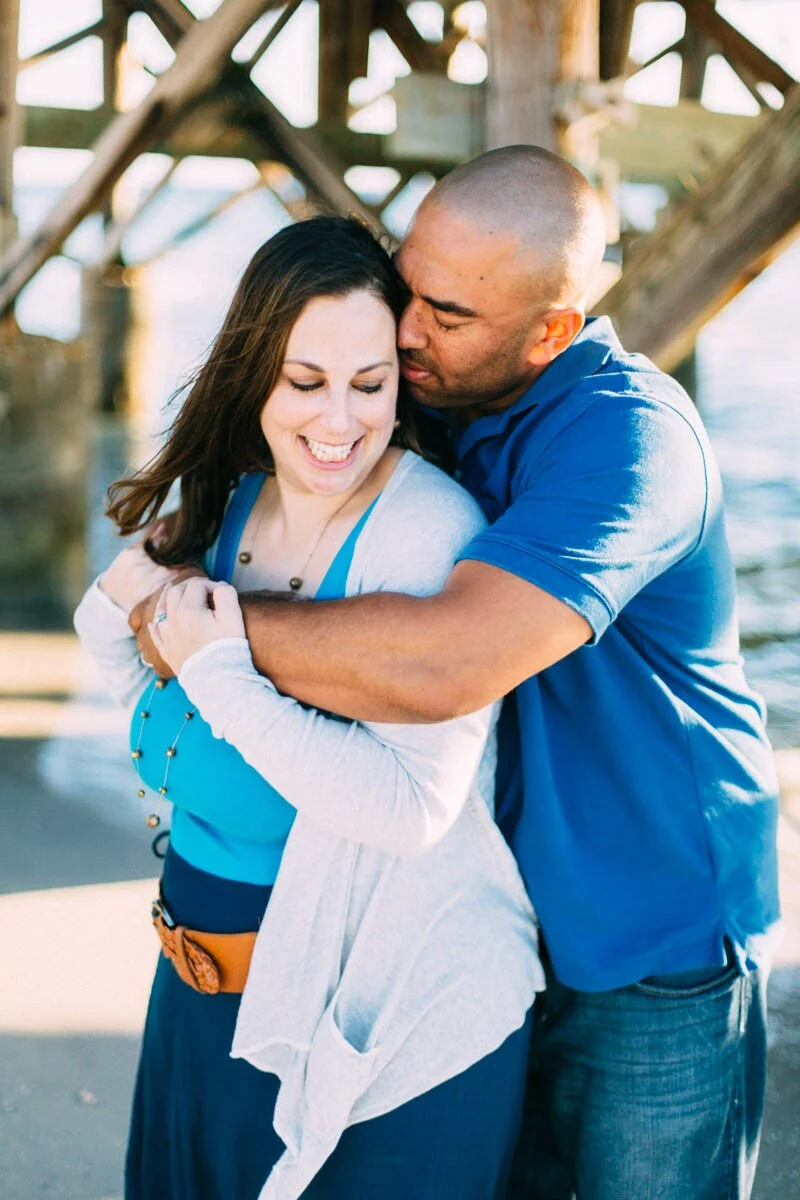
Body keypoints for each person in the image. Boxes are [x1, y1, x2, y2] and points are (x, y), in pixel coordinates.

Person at [134, 146, 782, 1200]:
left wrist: (205, 631)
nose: (403, 331)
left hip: (647, 938)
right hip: (489, 926)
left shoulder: (629, 443)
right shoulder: (438, 393)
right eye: (405, 283)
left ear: (550, 333)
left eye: (445, 314)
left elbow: (444, 661)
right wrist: (182, 560)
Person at [74, 215, 542, 1200]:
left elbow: (412, 808)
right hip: (199, 999)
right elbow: (147, 669)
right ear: (253, 376)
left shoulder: (424, 534)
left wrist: (220, 667)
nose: (338, 423)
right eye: (304, 382)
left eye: (369, 386)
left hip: (375, 1019)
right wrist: (137, 607)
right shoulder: (227, 497)